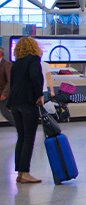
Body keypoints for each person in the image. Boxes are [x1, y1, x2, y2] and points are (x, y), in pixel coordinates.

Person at [7, 37, 45, 184]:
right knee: (29, 138)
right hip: (27, 102)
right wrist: (39, 95)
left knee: (21, 137)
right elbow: (35, 77)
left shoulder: (16, 64)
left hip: (14, 102)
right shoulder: (33, 59)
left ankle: (20, 173)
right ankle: (25, 173)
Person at [0, 47, 12, 123]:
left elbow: (10, 81)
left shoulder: (6, 64)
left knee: (5, 112)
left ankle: (20, 127)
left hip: (3, 93)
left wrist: (4, 94)